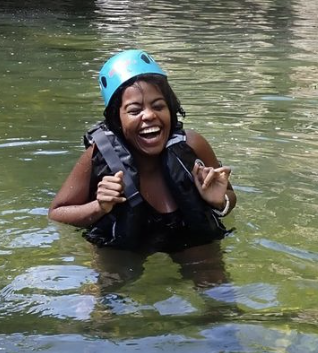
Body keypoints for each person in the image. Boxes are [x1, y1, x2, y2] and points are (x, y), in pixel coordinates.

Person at [49, 49, 236, 253]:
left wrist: (220, 201)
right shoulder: (99, 155)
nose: (148, 116)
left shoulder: (193, 145)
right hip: (121, 250)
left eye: (158, 106)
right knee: (111, 283)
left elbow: (229, 196)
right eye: (134, 111)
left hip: (190, 238)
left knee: (217, 285)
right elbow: (57, 213)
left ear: (170, 110)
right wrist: (99, 206)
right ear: (117, 119)